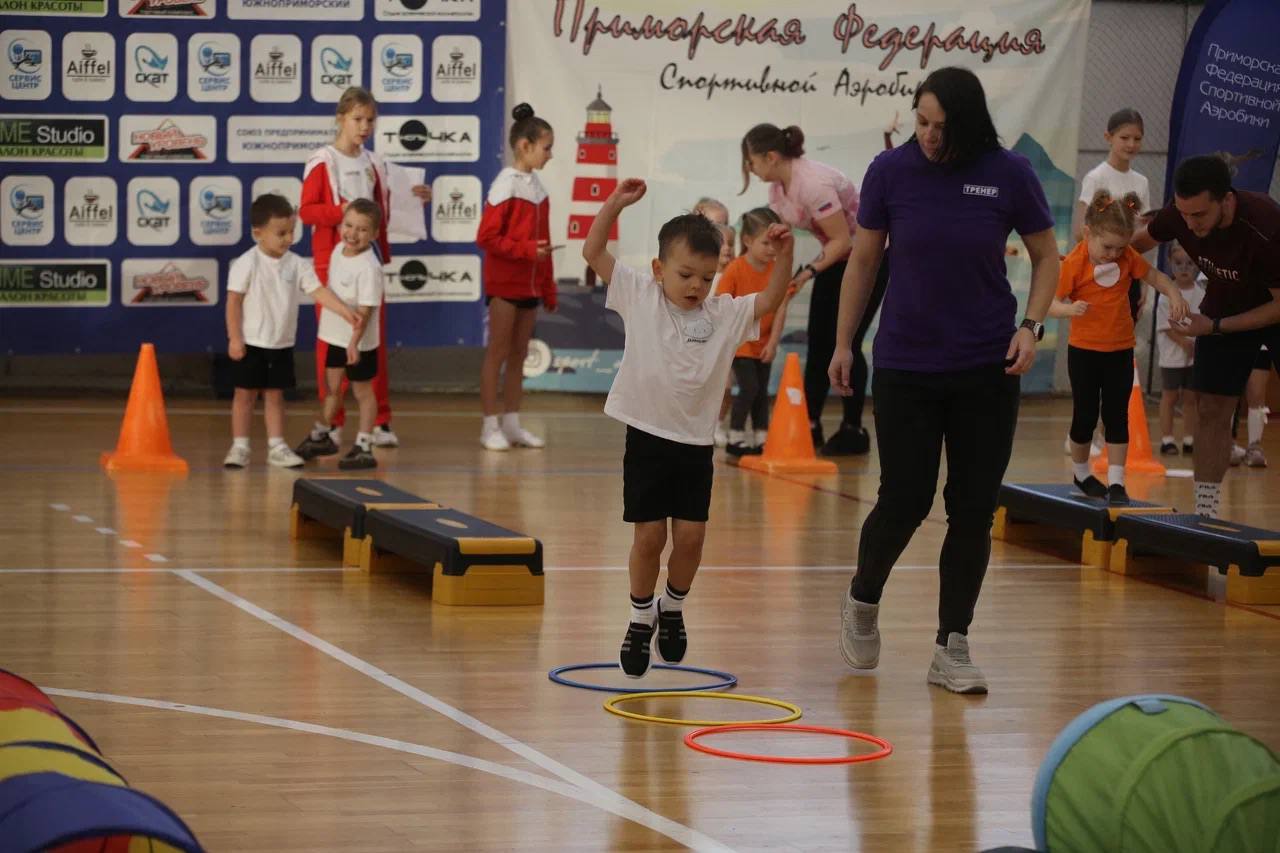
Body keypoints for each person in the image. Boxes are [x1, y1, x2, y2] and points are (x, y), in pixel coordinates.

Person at [829, 67, 1059, 694]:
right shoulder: (890, 172)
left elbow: (1046, 255)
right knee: (905, 497)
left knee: (973, 507)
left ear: (968, 121)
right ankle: (863, 597)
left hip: (988, 365)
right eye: (922, 122)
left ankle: (952, 644)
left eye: (940, 126)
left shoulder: (1009, 173)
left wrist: (1031, 327)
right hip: (906, 364)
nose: (929, 136)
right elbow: (866, 259)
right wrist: (845, 343)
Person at [582, 178, 793, 677]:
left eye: (706, 275)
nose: (696, 286)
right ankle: (639, 619)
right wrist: (614, 204)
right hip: (648, 440)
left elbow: (771, 298)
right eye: (685, 275)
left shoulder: (724, 314)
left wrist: (786, 253)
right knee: (649, 536)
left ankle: (671, 609)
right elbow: (593, 251)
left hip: (695, 447)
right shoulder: (639, 295)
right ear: (658, 271)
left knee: (692, 539)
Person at [1133, 155, 1280, 518]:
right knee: (1212, 407)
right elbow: (1133, 246)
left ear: (1226, 200)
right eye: (1183, 215)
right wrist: (1092, 258)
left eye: (1199, 215)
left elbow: (1278, 306)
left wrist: (1213, 327)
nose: (1189, 224)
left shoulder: (1266, 224)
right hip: (1226, 302)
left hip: (1273, 305)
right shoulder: (1180, 215)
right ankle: (1206, 514)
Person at [299, 85, 429, 452]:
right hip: (332, 262)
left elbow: (383, 208)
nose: (364, 126)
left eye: (370, 119)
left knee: (370, 341)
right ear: (340, 118)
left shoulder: (374, 162)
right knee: (334, 348)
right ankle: (333, 424)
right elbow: (307, 210)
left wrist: (414, 196)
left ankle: (379, 422)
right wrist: (340, 213)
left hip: (366, 262)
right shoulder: (322, 160)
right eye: (357, 119)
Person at [740, 123, 880, 455]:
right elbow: (784, 239)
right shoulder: (777, 189)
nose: (749, 168)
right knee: (819, 341)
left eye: (751, 161)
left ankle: (852, 429)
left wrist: (806, 273)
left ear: (770, 157)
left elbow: (844, 240)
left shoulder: (812, 184)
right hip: (835, 258)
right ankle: (810, 424)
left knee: (848, 340)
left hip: (869, 257)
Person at [1049, 190, 1188, 504]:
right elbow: (1050, 303)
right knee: (1085, 415)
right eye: (1107, 247)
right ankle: (1082, 472)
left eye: (1120, 247)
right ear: (1088, 233)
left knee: (1116, 415)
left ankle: (1116, 482)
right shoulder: (1075, 263)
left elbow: (1155, 276)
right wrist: (1068, 310)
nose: (1113, 254)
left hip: (1120, 350)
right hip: (1084, 351)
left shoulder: (1127, 258)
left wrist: (1175, 294)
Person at [223, 194, 357, 470]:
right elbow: (233, 301)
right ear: (258, 233)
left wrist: (343, 310)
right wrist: (235, 338)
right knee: (244, 396)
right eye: (280, 233)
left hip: (281, 343)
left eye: (291, 232)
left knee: (275, 396)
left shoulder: (297, 264)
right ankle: (240, 446)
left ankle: (277, 446)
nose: (287, 238)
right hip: (251, 342)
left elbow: (318, 291)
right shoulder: (246, 263)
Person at [1066, 108, 1151, 457]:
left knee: (1120, 355)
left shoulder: (1142, 183)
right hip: (1097, 278)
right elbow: (1080, 228)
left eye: (1136, 139)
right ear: (1108, 138)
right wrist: (1097, 259)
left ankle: (1108, 429)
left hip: (1127, 275)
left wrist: (1141, 280)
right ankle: (1084, 431)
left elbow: (1144, 233)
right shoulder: (1096, 176)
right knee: (1091, 358)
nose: (1130, 144)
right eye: (1124, 138)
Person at [475, 103, 558, 451]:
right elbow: (487, 237)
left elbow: (545, 244)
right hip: (505, 286)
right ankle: (488, 425)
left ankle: (511, 423)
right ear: (525, 146)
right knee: (498, 353)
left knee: (520, 354)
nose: (551, 154)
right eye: (547, 147)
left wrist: (548, 287)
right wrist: (526, 252)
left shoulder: (537, 188)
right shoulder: (505, 185)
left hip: (529, 287)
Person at [295, 200, 386, 470]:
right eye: (348, 226)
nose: (353, 234)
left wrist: (354, 343)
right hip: (334, 336)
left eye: (362, 230)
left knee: (362, 391)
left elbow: (366, 310)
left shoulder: (369, 267)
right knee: (332, 389)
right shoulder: (337, 250)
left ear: (374, 235)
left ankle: (364, 444)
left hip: (358, 342)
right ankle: (325, 433)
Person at [715, 207, 789, 455]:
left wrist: (774, 341)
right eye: (765, 243)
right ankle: (736, 433)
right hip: (742, 344)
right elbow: (721, 304)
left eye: (774, 244)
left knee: (761, 390)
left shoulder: (775, 270)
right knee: (749, 388)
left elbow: (780, 308)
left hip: (763, 344)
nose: (771, 249)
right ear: (747, 241)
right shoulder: (735, 269)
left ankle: (760, 435)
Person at [1157, 246, 1204, 456]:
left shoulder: (1201, 294)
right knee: (1169, 396)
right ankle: (1167, 439)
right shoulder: (1167, 294)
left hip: (1194, 357)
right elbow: (1165, 326)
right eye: (1178, 264)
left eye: (1189, 264)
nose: (1184, 269)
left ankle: (1189, 439)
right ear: (1170, 264)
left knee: (1190, 398)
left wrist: (1197, 343)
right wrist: (1183, 341)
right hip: (1171, 357)